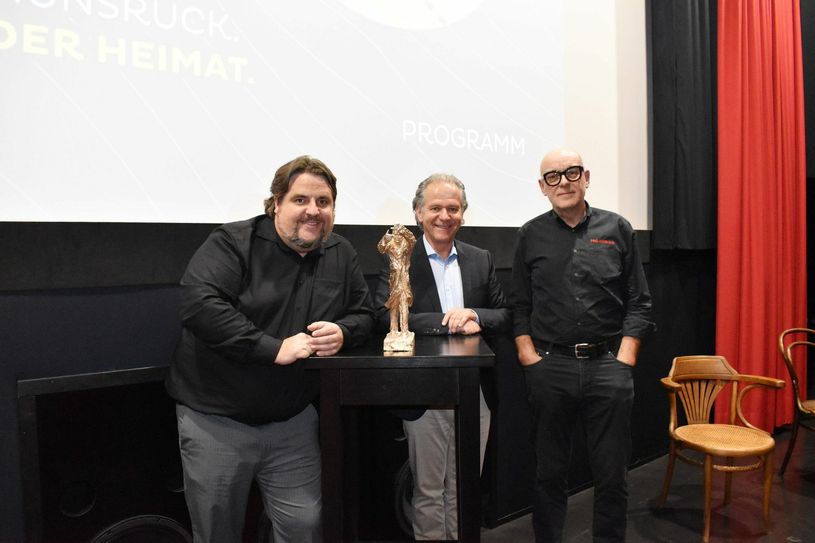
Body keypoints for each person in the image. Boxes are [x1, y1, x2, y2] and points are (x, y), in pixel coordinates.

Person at [165, 155, 374, 543]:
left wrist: (344, 332)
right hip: (217, 421)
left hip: (292, 424)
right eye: (300, 200)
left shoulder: (341, 253)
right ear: (276, 202)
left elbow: (365, 314)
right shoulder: (232, 242)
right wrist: (272, 348)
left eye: (324, 202)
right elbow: (200, 305)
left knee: (306, 527)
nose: (313, 211)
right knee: (217, 533)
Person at [511, 148, 654, 542]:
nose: (564, 181)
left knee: (611, 475)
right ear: (543, 187)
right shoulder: (530, 234)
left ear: (586, 177)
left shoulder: (618, 229)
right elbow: (519, 304)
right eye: (553, 177)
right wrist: (528, 355)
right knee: (549, 474)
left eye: (571, 172)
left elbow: (639, 301)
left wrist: (625, 358)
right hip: (549, 368)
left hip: (608, 366)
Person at [374, 173, 510, 540]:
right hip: (425, 392)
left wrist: (476, 315)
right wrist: (447, 322)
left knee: (464, 486)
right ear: (419, 213)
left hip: (475, 392)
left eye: (453, 208)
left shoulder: (481, 259)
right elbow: (382, 314)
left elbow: (503, 314)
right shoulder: (401, 258)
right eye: (435, 208)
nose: (444, 215)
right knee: (430, 491)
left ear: (463, 213)